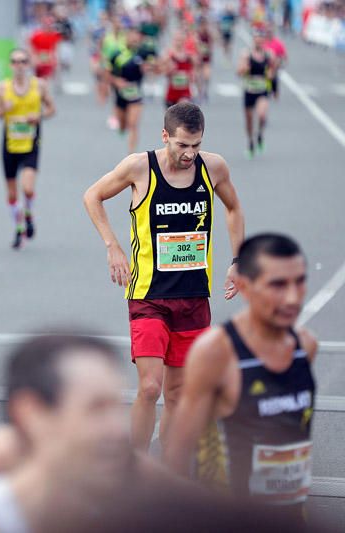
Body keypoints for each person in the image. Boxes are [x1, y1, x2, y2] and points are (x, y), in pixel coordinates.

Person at [0, 334, 295, 533]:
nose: (114, 426)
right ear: (32, 413)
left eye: (113, 405)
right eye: (94, 409)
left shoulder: (124, 468)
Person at [83, 102, 245, 453]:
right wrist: (113, 246)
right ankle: (135, 463)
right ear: (165, 136)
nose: (189, 154)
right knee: (151, 387)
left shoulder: (213, 168)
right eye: (182, 145)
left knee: (178, 393)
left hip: (193, 297)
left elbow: (233, 207)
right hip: (148, 295)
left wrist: (238, 259)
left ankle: (169, 466)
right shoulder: (140, 167)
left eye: (196, 145)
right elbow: (92, 196)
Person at [165, 234, 316, 529]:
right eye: (277, 284)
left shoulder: (305, 347)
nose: (292, 296)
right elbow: (178, 455)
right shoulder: (216, 353)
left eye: (299, 281)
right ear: (245, 286)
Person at [0, 49, 56, 249]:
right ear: (11, 65)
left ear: (28, 64)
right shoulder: (1, 89)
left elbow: (52, 108)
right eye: (15, 61)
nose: (19, 65)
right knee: (11, 193)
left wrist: (40, 116)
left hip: (31, 143)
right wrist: (2, 110)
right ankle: (18, 228)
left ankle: (28, 214)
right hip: (9, 145)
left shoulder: (39, 86)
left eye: (23, 61)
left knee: (27, 187)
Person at [108, 27, 152, 154]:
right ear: (126, 36)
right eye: (132, 35)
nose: (134, 38)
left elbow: (155, 66)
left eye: (137, 36)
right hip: (120, 94)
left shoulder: (142, 53)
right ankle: (122, 127)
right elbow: (107, 74)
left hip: (135, 93)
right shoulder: (117, 54)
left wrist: (149, 68)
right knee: (123, 125)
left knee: (133, 125)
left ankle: (131, 154)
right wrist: (117, 82)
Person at [238, 28, 276, 157]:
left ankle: (259, 134)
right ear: (253, 40)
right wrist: (244, 69)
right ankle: (250, 142)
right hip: (249, 91)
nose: (258, 41)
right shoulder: (246, 54)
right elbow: (239, 72)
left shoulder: (269, 54)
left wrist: (270, 75)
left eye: (261, 39)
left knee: (261, 115)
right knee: (249, 121)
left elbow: (272, 70)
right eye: (256, 39)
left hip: (262, 91)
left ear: (263, 41)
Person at [162, 31, 195, 108]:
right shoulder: (168, 55)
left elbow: (194, 70)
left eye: (181, 40)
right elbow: (162, 71)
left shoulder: (189, 56)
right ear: (173, 40)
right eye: (177, 40)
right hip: (172, 92)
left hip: (184, 91)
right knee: (171, 118)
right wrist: (169, 70)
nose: (179, 42)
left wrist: (191, 76)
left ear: (184, 41)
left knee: (182, 113)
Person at [264, 25, 287, 100]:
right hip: (265, 65)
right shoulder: (263, 42)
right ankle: (266, 92)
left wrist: (281, 63)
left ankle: (275, 93)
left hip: (274, 66)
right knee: (266, 79)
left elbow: (283, 55)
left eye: (270, 32)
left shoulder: (278, 43)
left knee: (274, 80)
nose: (269, 33)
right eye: (267, 32)